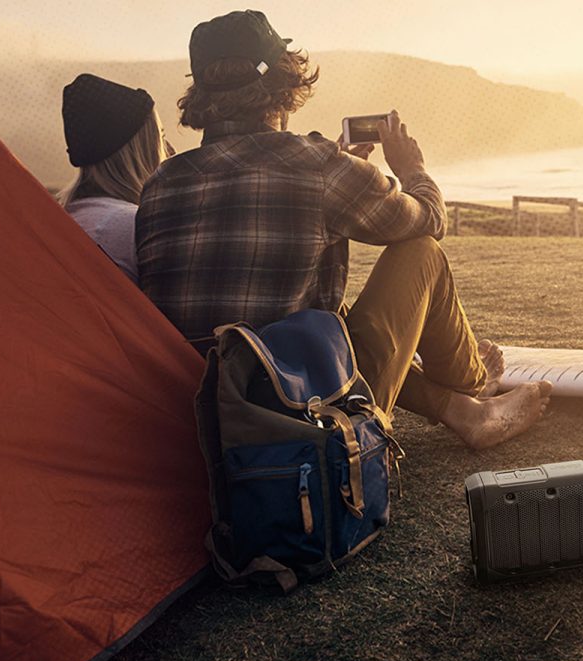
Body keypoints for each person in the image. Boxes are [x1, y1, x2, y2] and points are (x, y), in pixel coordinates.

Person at [136, 10, 549, 448]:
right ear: (284, 82)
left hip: (203, 422)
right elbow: (429, 217)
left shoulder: (160, 183)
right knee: (421, 252)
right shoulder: (316, 165)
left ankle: (458, 410)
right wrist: (412, 169)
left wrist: (338, 173)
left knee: (324, 313)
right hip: (311, 417)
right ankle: (475, 383)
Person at [58, 74, 173, 282]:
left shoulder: (69, 217)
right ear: (141, 151)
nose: (169, 150)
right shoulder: (132, 226)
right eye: (160, 138)